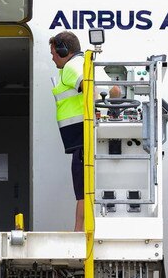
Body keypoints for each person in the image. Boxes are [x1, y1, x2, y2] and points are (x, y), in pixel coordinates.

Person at [49, 31, 119, 231]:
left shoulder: (72, 67)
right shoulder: (88, 64)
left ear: (64, 50)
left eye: (54, 52)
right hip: (93, 137)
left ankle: (78, 235)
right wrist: (107, 113)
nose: (52, 57)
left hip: (83, 139)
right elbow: (116, 91)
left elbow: (89, 89)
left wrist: (93, 115)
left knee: (82, 193)